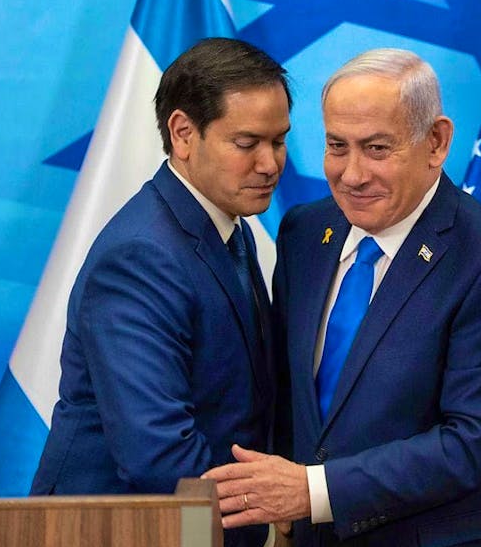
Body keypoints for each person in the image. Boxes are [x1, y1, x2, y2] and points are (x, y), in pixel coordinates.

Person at [204, 48, 481, 546]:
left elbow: (477, 441)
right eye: (337, 145)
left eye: (377, 148)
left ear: (436, 142)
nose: (352, 174)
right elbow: (290, 394)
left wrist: (313, 491)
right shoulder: (305, 232)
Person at [31, 37, 291, 547]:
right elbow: (158, 456)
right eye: (247, 143)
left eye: (279, 141)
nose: (269, 164)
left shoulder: (227, 226)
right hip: (113, 530)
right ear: (183, 134)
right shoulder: (142, 255)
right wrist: (263, 530)